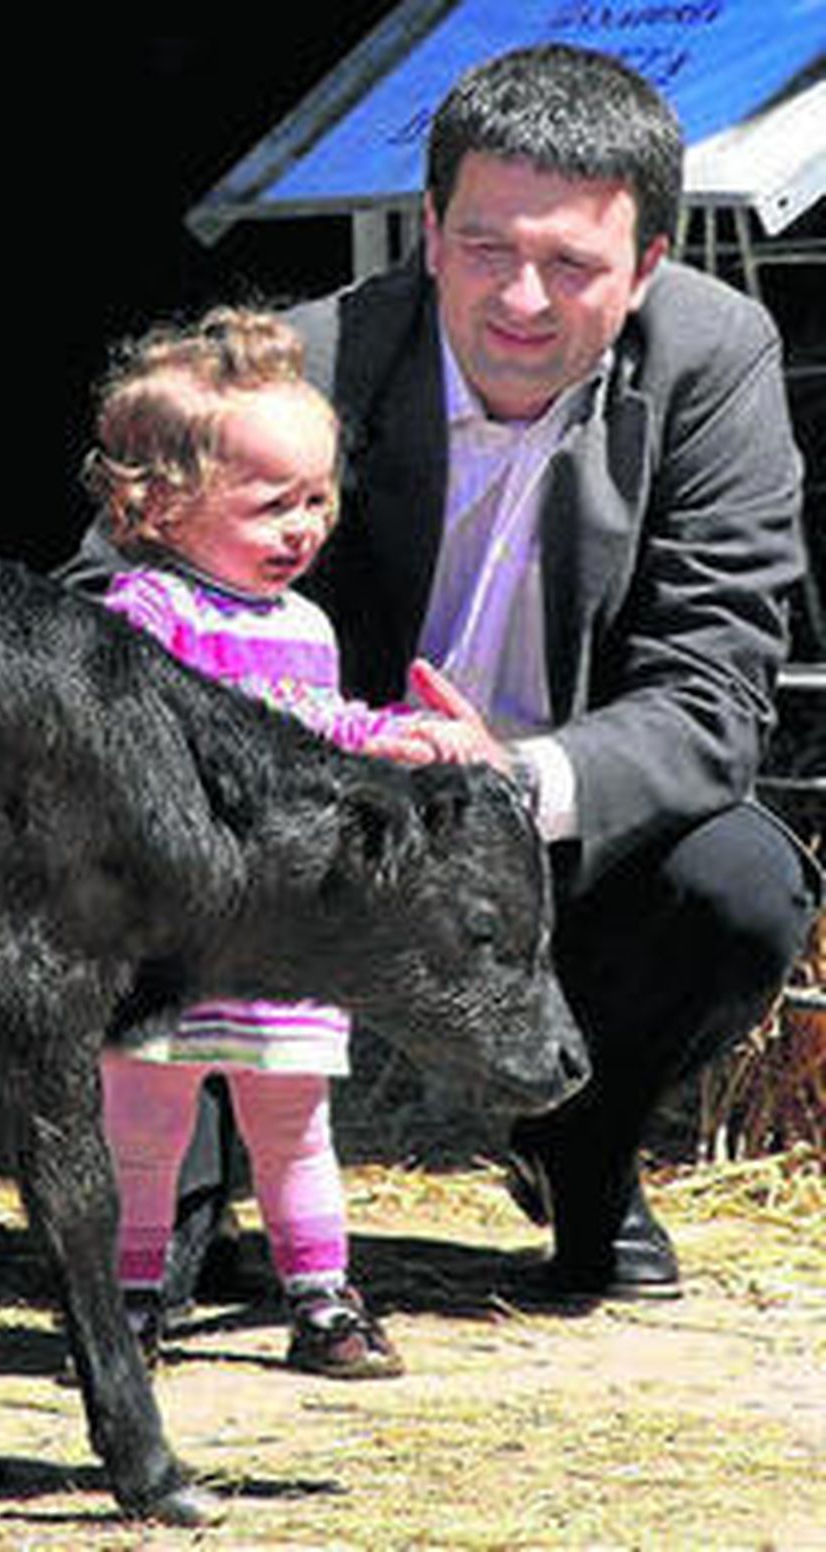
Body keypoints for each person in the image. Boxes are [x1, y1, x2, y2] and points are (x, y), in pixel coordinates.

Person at [64, 43, 822, 1303]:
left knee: (741, 884)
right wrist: (278, 773)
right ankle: (198, 1173)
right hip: (276, 839)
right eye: (483, 246)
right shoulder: (298, 363)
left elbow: (713, 697)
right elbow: (88, 615)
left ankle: (573, 1147)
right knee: (169, 1266)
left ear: (647, 266)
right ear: (426, 226)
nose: (519, 297)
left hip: (545, 816)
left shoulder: (713, 360)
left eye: (572, 264)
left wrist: (506, 783)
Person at [84, 305, 468, 1376]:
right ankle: (129, 1301)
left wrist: (402, 737)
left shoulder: (305, 628)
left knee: (295, 1124)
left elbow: (324, 725)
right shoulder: (141, 613)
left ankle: (322, 1299)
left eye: (317, 499)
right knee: (145, 1126)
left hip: (287, 926)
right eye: (270, 505)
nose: (303, 527)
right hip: (169, 926)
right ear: (156, 505)